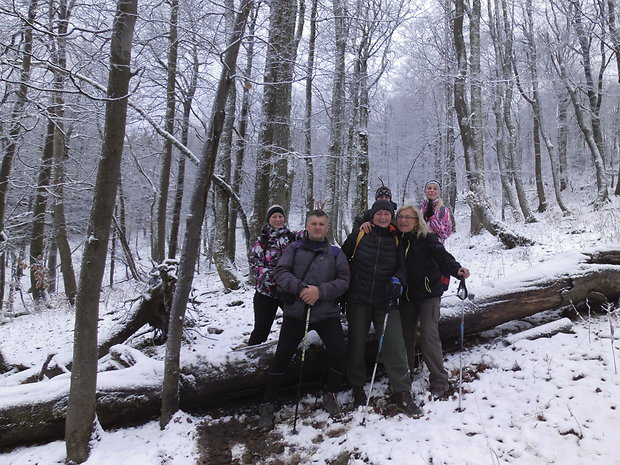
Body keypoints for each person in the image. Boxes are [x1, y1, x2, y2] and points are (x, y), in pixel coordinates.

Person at [258, 210, 350, 430]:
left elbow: (345, 280)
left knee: (339, 352)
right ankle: (267, 403)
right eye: (314, 223)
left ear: (327, 228)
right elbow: (280, 272)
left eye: (322, 224)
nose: (317, 227)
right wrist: (301, 289)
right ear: (307, 226)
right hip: (296, 312)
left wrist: (320, 291)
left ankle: (330, 394)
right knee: (282, 355)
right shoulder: (294, 248)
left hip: (326, 313)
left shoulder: (336, 254)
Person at [342, 199, 422, 418]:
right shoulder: (360, 235)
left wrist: (398, 280)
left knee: (395, 344)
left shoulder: (397, 238)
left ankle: (402, 392)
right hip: (358, 298)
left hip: (386, 300)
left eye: (387, 214)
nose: (383, 217)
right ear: (372, 215)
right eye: (379, 214)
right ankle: (357, 388)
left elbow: (402, 268)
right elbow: (341, 258)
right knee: (357, 343)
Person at [395, 204, 470, 398]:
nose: (403, 221)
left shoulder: (427, 238)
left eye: (408, 218)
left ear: (416, 221)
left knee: (429, 336)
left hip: (428, 294)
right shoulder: (394, 240)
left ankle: (439, 380)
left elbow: (442, 256)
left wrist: (457, 269)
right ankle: (406, 376)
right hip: (405, 296)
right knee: (406, 337)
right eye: (401, 217)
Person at [248, 205, 299, 345]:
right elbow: (256, 267)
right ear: (268, 220)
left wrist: (318, 213)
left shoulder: (292, 237)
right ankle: (249, 359)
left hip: (288, 292)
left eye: (280, 216)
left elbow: (311, 234)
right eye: (274, 217)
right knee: (261, 331)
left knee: (295, 327)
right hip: (266, 294)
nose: (278, 219)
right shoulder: (261, 242)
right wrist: (277, 278)